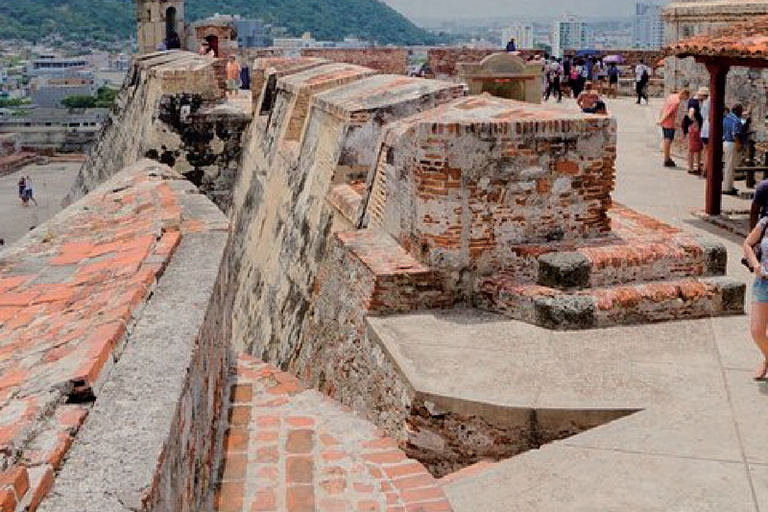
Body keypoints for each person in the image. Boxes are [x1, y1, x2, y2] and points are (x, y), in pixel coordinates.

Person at [743, 216, 768, 380]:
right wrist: (755, 264)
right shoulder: (766, 222)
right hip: (763, 282)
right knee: (757, 331)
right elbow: (747, 244)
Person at [658, 88, 691, 168]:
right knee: (668, 140)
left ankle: (667, 157)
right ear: (684, 94)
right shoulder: (676, 102)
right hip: (669, 123)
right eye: (685, 98)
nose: (684, 100)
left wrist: (660, 118)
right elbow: (669, 113)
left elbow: (663, 108)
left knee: (666, 139)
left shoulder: (671, 96)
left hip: (666, 122)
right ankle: (667, 158)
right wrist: (662, 120)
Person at [723, 103, 748, 196]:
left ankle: (729, 185)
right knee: (730, 167)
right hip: (732, 143)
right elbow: (735, 133)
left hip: (726, 142)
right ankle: (727, 188)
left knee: (728, 166)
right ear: (738, 111)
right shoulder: (736, 120)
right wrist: (739, 144)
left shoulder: (726, 118)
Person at [698, 87, 711, 177]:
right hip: (709, 130)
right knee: (708, 151)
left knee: (705, 151)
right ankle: (705, 170)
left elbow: (702, 116)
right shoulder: (709, 103)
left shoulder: (704, 104)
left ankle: (704, 169)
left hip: (704, 130)